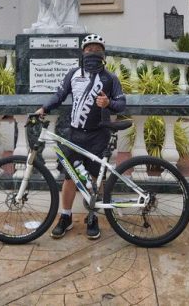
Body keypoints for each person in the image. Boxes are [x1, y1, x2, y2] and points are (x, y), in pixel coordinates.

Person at [35, 34, 126, 239]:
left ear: (103, 54)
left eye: (97, 50)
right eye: (89, 49)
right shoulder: (73, 74)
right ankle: (65, 217)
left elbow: (122, 103)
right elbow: (59, 96)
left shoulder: (110, 78)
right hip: (75, 135)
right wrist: (43, 109)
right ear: (83, 53)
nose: (93, 53)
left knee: (95, 177)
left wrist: (108, 103)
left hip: (99, 134)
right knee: (70, 177)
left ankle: (92, 217)